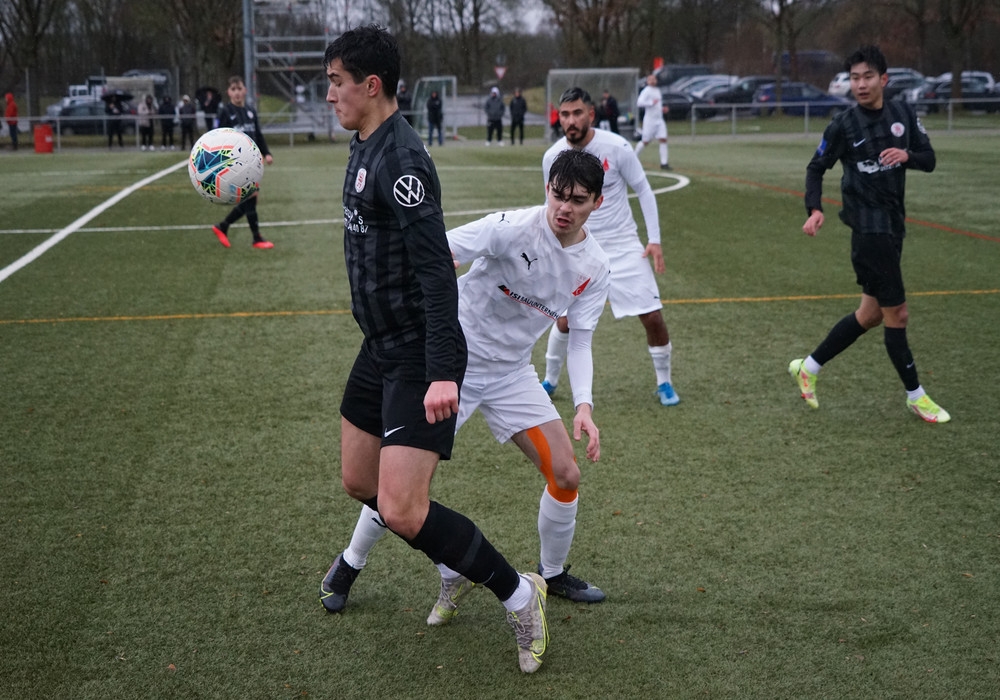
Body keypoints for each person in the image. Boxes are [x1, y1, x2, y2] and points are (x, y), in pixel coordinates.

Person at [320, 24, 549, 674]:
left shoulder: (403, 163)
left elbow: (435, 272)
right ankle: (452, 560)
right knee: (359, 481)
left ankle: (519, 594)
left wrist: (443, 371)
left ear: (371, 85)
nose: (330, 94)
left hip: (419, 354)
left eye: (337, 82)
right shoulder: (364, 143)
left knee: (402, 506)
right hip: (379, 346)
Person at [322, 148, 611, 622]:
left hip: (512, 372)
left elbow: (579, 340)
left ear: (597, 203)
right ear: (547, 189)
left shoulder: (594, 267)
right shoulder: (511, 228)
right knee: (399, 480)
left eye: (578, 200)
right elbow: (437, 252)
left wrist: (584, 406)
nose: (564, 207)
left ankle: (553, 573)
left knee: (566, 474)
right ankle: (350, 562)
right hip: (450, 365)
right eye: (558, 195)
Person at [791, 45, 949, 424]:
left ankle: (808, 367)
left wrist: (907, 156)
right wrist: (815, 208)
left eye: (867, 77)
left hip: (893, 227)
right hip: (867, 231)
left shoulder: (903, 115)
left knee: (870, 314)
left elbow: (929, 159)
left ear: (883, 79)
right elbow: (816, 168)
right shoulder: (843, 125)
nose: (860, 85)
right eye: (854, 78)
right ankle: (916, 396)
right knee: (898, 314)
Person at [542, 87, 679, 406]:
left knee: (652, 316)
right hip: (578, 247)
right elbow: (551, 205)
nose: (571, 121)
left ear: (591, 114)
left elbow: (643, 189)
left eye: (577, 113)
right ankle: (549, 381)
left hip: (622, 245)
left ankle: (665, 382)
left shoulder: (617, 147)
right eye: (565, 115)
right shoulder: (552, 157)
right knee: (564, 320)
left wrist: (654, 239)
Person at [210, 76, 275, 250]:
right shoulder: (225, 112)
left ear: (245, 90)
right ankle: (256, 238)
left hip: (251, 162)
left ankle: (223, 226)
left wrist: (266, 153)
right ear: (228, 92)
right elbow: (216, 137)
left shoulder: (250, 111)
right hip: (235, 163)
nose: (237, 93)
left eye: (239, 89)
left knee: (251, 199)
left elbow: (258, 134)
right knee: (251, 196)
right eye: (233, 89)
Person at [634, 73, 670, 169]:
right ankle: (633, 157)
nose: (653, 81)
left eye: (654, 79)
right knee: (645, 141)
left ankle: (664, 163)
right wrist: (650, 103)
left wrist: (662, 109)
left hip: (659, 119)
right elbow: (639, 102)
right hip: (650, 121)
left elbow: (657, 105)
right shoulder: (646, 91)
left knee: (663, 139)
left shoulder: (657, 90)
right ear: (647, 81)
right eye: (650, 79)